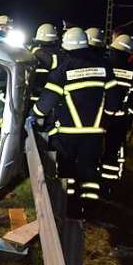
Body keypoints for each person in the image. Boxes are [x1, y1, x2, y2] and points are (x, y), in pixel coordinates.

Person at [28, 27, 114, 217]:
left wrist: (33, 114)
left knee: (67, 170)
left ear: (66, 46)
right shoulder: (105, 66)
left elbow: (46, 102)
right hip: (95, 133)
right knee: (90, 171)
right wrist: (103, 119)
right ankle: (90, 211)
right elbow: (113, 103)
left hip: (67, 133)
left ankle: (70, 209)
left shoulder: (64, 69)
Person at [99, 33, 133, 194]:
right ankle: (106, 187)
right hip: (119, 121)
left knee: (93, 147)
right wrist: (127, 115)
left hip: (99, 117)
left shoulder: (104, 65)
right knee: (112, 152)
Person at [28, 23, 60, 105]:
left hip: (36, 95)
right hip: (48, 97)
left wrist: (34, 50)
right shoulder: (60, 55)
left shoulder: (35, 52)